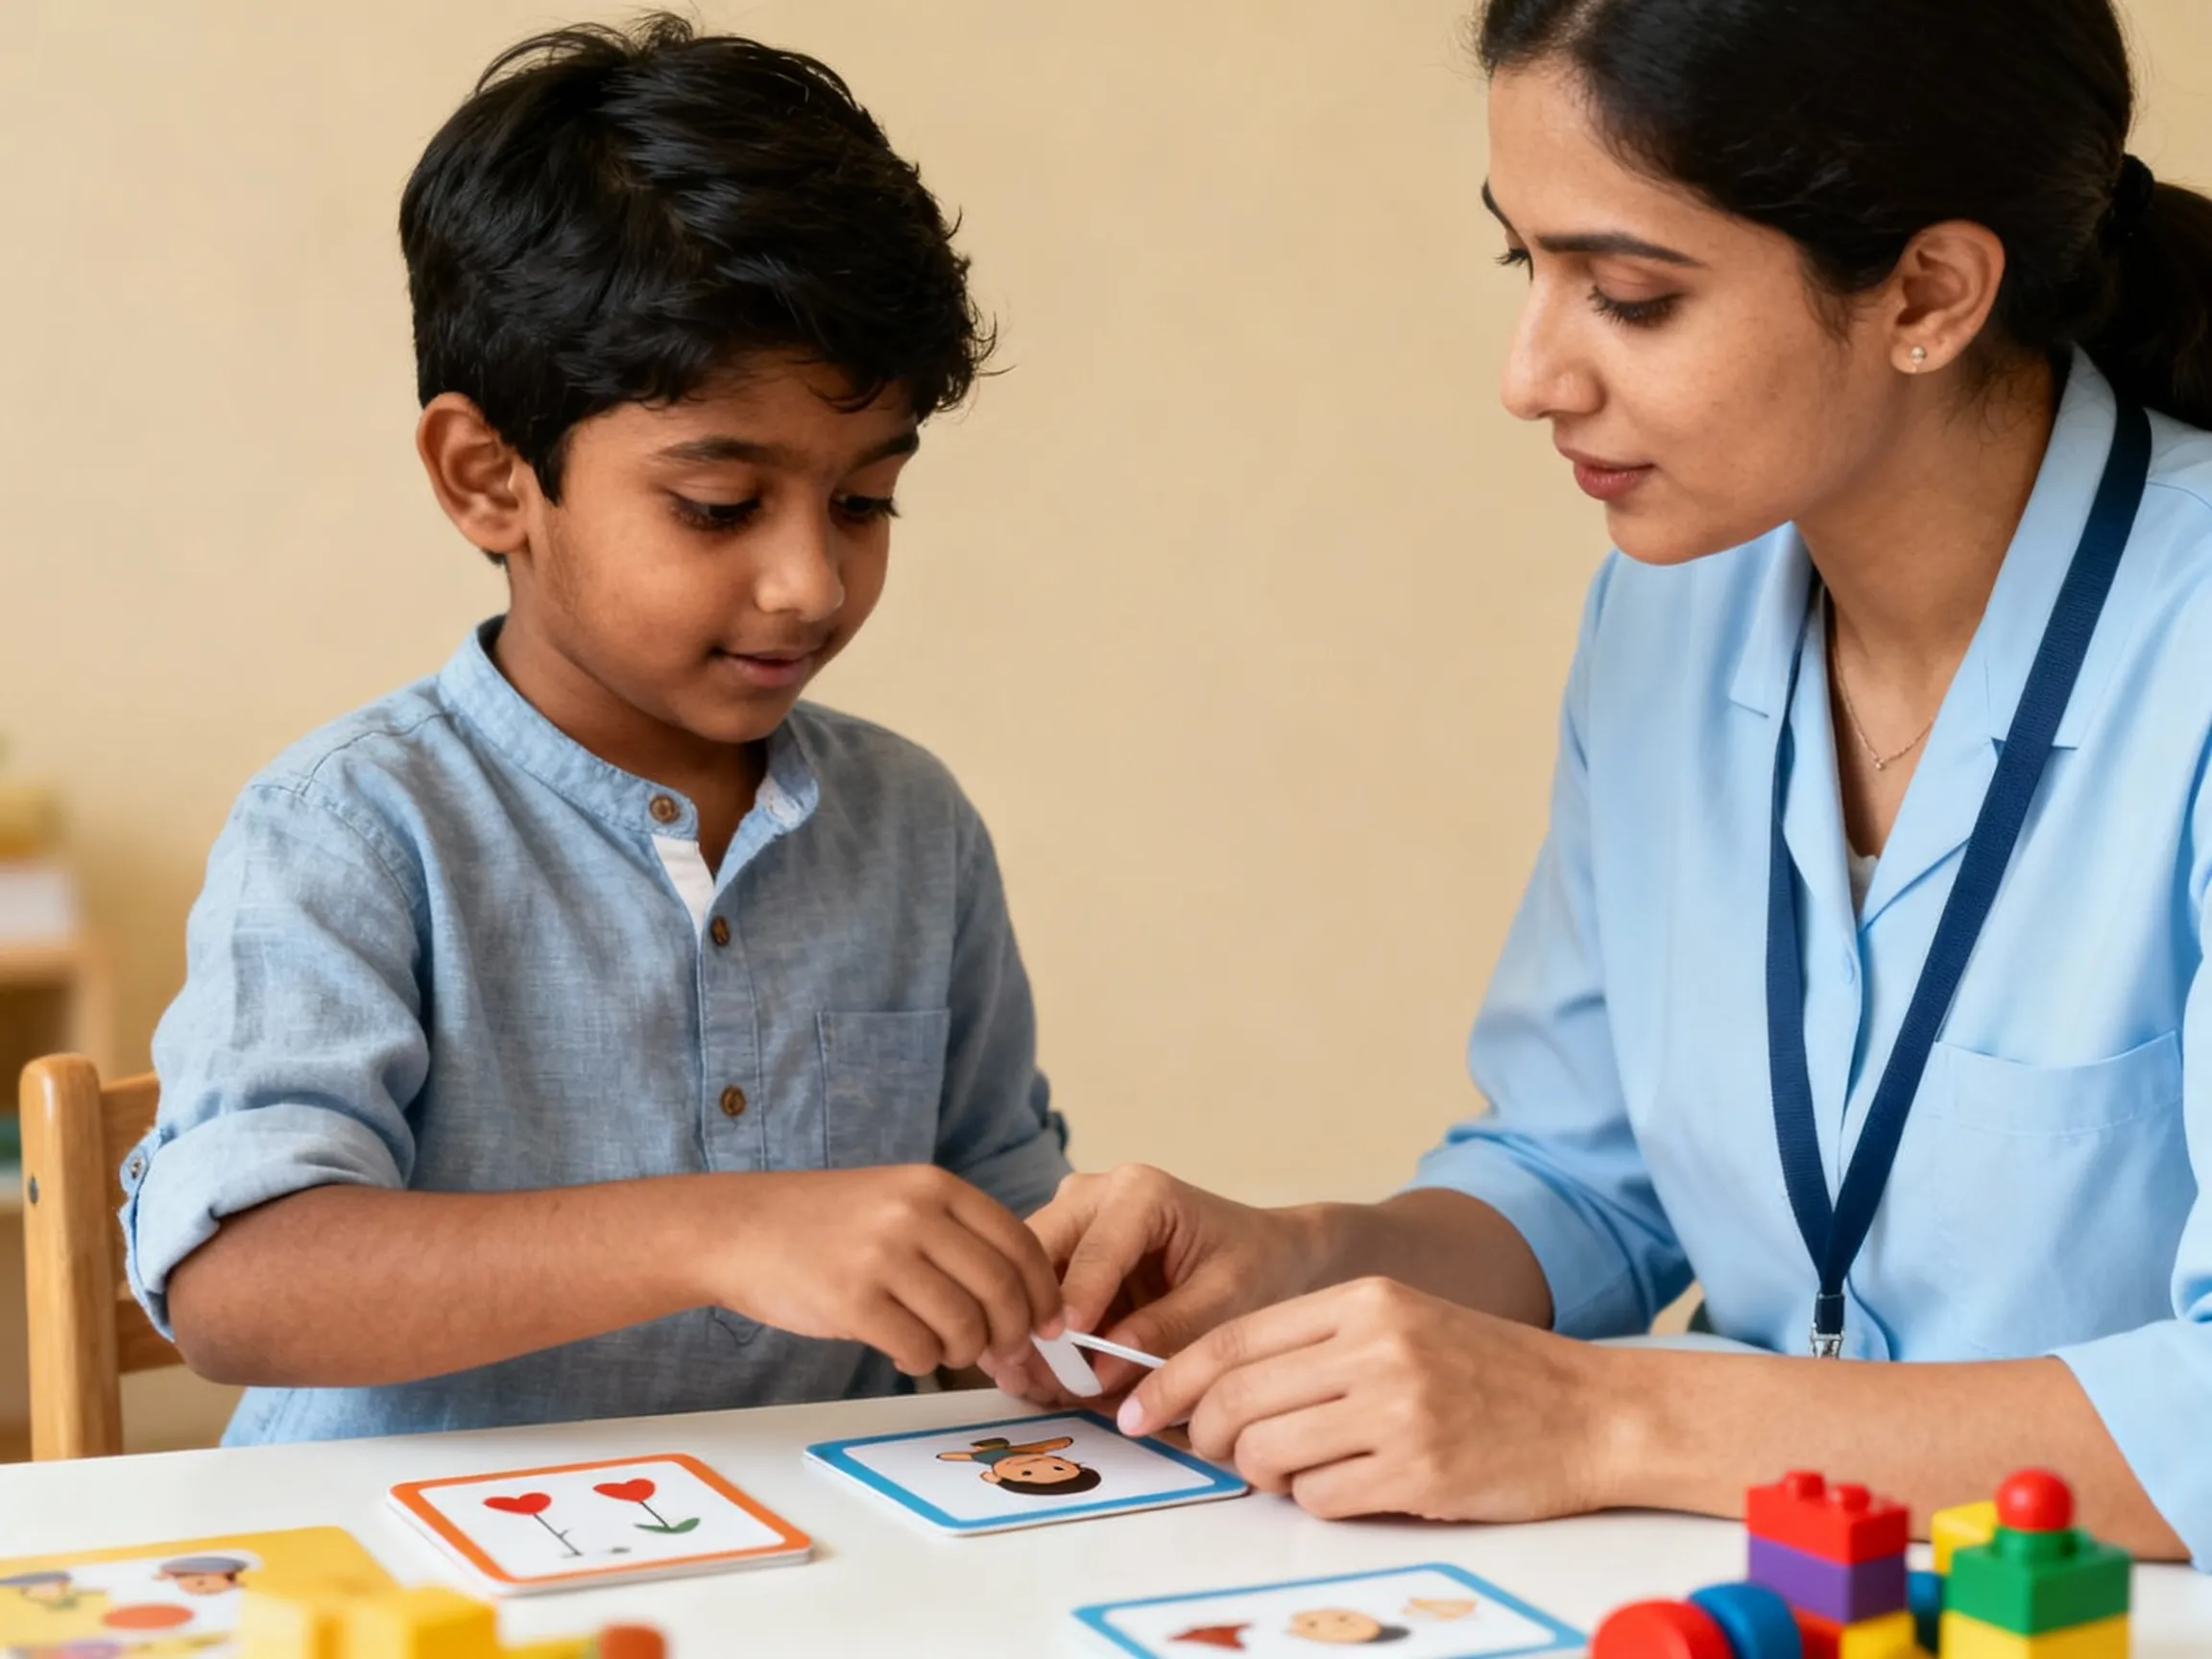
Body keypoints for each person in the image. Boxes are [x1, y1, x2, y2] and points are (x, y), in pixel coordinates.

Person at [996, 0, 2212, 1565]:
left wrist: (1600, 1418)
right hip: (1758, 1590)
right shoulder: (1671, 609)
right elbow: (1589, 1181)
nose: (1531, 375)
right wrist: (1298, 1260)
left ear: (1929, 291)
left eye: (1629, 295)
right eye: (1528, 264)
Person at [120, 14, 1070, 1444]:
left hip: (819, 1571)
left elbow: (1004, 1226)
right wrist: (723, 1231)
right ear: (489, 477)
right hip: (413, 1588)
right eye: (717, 506)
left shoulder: (913, 827)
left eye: (865, 500)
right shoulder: (356, 827)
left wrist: (1086, 1293)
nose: (811, 579)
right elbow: (240, 1284)